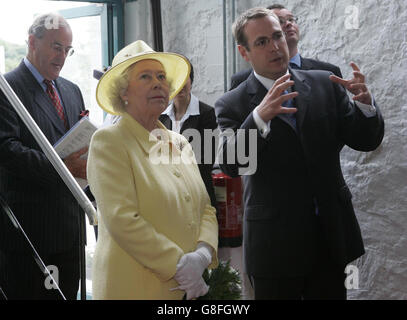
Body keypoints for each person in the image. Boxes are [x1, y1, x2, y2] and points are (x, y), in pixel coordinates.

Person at [215, 8, 384, 299]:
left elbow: (365, 141)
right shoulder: (233, 103)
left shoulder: (324, 83)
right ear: (245, 52)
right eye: (262, 42)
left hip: (330, 238)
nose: (274, 46)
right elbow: (232, 164)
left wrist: (366, 106)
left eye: (277, 36)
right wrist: (258, 119)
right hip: (274, 247)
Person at [87, 40, 218, 300]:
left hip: (186, 290)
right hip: (133, 288)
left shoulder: (179, 141)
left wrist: (203, 254)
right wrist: (180, 265)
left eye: (161, 76)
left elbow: (205, 207)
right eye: (145, 77)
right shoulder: (109, 142)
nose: (158, 83)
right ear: (123, 92)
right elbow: (122, 219)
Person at [0, 13, 87, 299]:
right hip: (30, 233)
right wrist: (61, 167)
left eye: (67, 49)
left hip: (71, 232)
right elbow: (7, 150)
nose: (62, 57)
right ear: (31, 42)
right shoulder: (6, 88)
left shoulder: (72, 91)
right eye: (55, 46)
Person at [230, 4, 342, 90]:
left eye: (291, 19)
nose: (288, 24)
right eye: (281, 21)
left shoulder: (328, 74)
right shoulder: (241, 82)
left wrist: (360, 103)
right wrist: (259, 118)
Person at [160, 61, 218, 212]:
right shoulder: (160, 117)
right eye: (175, 79)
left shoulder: (206, 114)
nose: (180, 84)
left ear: (191, 81)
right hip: (169, 198)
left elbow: (204, 162)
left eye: (184, 77)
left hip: (198, 196)